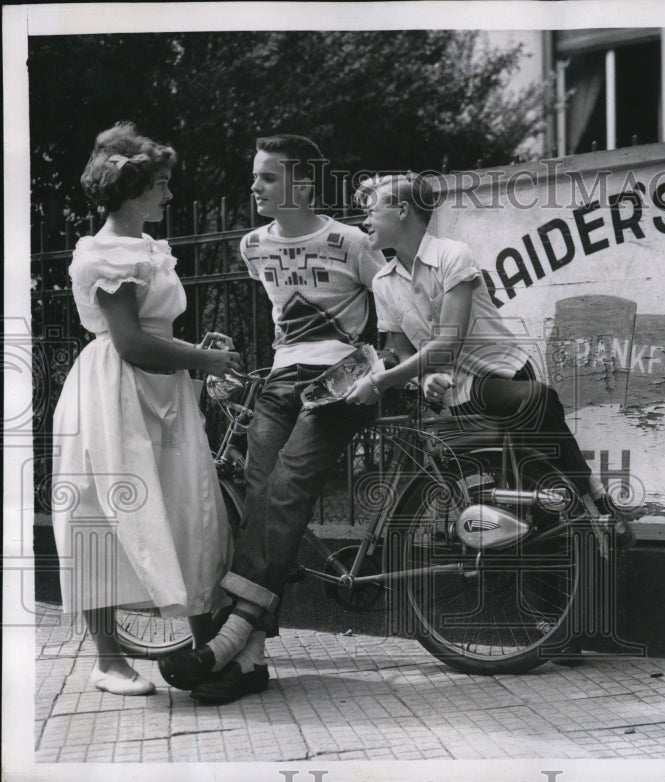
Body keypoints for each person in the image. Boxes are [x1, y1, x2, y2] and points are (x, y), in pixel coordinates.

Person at [158, 134, 385, 704]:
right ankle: (251, 660)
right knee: (260, 499)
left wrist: (379, 375)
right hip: (282, 381)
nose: (254, 186)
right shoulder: (253, 246)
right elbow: (284, 323)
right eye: (254, 176)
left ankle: (229, 643)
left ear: (301, 186)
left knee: (284, 491)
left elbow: (394, 306)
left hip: (341, 382)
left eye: (266, 177)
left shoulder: (351, 241)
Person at [342, 172, 635, 544]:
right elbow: (401, 348)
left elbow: (447, 344)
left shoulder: (452, 255)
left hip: (502, 376)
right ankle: (581, 514)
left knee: (538, 430)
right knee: (515, 498)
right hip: (458, 394)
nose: (364, 219)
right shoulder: (383, 282)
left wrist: (381, 381)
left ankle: (594, 502)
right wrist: (424, 378)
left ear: (402, 210)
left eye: (371, 209)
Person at [50, 122, 239, 696]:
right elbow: (130, 342)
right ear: (131, 189)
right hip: (117, 391)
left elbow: (153, 333)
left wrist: (193, 352)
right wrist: (203, 361)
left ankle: (203, 648)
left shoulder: (147, 249)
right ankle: (108, 662)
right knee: (107, 511)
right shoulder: (107, 254)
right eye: (160, 184)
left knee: (187, 504)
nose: (169, 194)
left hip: (161, 389)